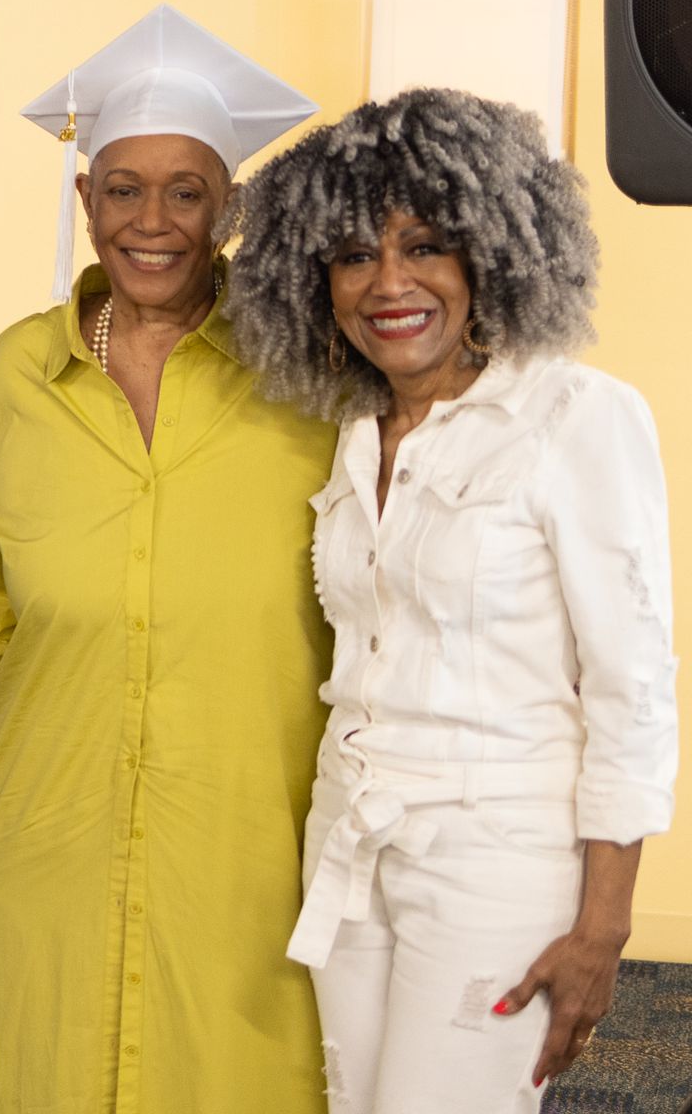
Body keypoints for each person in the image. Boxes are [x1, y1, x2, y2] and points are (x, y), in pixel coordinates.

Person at [226, 88, 678, 1112]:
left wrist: (605, 925)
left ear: (494, 251)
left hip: (496, 851)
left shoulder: (574, 415)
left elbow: (631, 684)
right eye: (352, 254)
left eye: (426, 245)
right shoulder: (347, 426)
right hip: (348, 838)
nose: (389, 282)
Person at [0, 5, 337, 1113]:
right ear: (86, 200)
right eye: (123, 187)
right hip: (47, 832)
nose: (153, 219)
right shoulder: (21, 369)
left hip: (248, 841)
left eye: (187, 189)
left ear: (229, 207)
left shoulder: (308, 365)